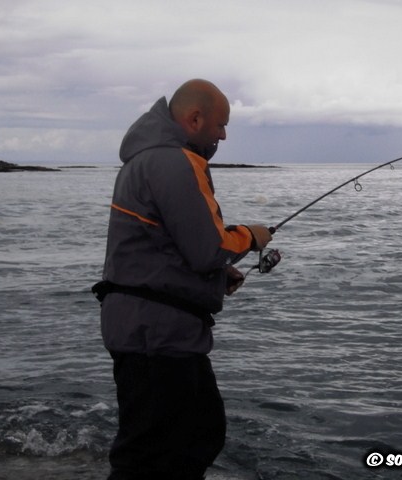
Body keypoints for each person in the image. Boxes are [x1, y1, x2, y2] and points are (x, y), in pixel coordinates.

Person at [95, 79, 272, 479]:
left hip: (152, 328)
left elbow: (159, 245)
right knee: (156, 451)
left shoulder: (147, 160)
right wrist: (252, 236)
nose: (223, 135)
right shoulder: (174, 162)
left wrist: (215, 277)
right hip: (156, 334)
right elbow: (208, 248)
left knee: (195, 435)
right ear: (194, 119)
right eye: (220, 125)